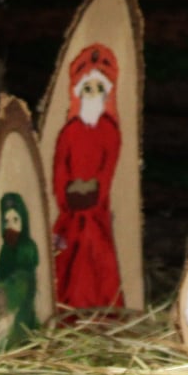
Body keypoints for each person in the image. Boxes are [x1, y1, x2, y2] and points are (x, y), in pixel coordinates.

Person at [51, 44, 125, 310]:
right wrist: (66, 195)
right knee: (67, 255)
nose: (93, 94)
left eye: (98, 88)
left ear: (106, 93)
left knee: (97, 256)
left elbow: (108, 169)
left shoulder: (109, 131)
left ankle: (100, 309)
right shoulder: (69, 132)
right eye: (88, 88)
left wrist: (95, 193)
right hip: (71, 210)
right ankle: (66, 308)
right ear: (79, 92)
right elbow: (60, 168)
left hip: (95, 210)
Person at [0, 191, 41, 351]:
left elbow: (24, 288)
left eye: (15, 220)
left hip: (21, 317)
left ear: (23, 221)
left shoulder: (27, 249)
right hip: (4, 312)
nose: (10, 226)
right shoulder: (5, 252)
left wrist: (11, 316)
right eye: (6, 221)